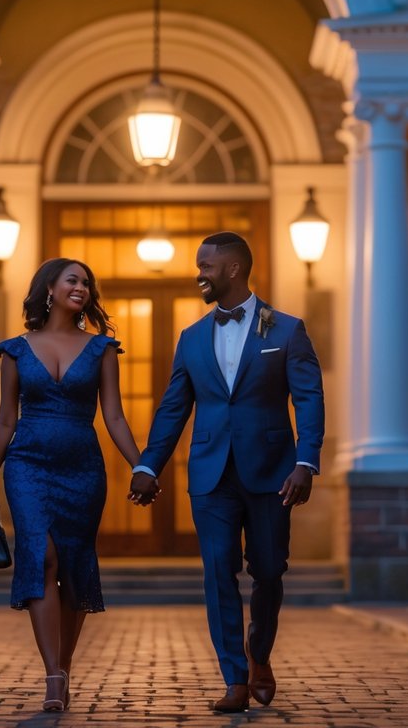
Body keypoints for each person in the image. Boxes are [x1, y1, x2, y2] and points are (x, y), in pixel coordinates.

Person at [128, 231, 325, 713]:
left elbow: (309, 398)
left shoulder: (286, 330)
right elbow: (173, 408)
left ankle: (259, 653)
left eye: (206, 266)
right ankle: (235, 678)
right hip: (210, 476)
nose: (199, 274)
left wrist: (305, 462)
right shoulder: (191, 338)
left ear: (233, 269)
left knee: (269, 571)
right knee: (218, 572)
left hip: (273, 473)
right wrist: (149, 463)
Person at [0, 258, 142, 712]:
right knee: (42, 555)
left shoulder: (102, 349)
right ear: (48, 288)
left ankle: (64, 667)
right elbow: (5, 419)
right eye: (73, 280)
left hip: (82, 469)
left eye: (87, 283)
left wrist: (142, 466)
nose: (82, 288)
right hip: (27, 465)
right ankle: (53, 674)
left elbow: (114, 416)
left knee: (72, 565)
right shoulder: (15, 350)